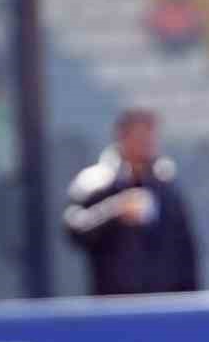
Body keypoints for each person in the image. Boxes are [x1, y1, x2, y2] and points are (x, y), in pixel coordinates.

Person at [63, 109, 200, 296]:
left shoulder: (167, 187)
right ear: (122, 137)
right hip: (113, 304)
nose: (148, 144)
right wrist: (115, 210)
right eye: (141, 137)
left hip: (164, 305)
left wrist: (190, 301)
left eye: (151, 137)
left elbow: (185, 250)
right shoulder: (94, 182)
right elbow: (74, 230)